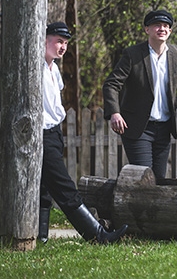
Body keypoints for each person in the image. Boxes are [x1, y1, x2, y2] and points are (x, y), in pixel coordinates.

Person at [41, 22, 128, 244]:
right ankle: (97, 236)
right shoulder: (34, 68)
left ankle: (40, 238)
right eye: (59, 41)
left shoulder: (53, 69)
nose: (63, 47)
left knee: (45, 189)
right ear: (44, 39)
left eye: (66, 43)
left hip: (54, 132)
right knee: (64, 186)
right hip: (39, 134)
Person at [103, 10, 177, 181]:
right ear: (147, 29)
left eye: (166, 26)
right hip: (138, 128)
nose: (162, 29)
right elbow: (111, 84)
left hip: (164, 129)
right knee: (143, 179)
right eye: (157, 25)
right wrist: (114, 113)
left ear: (169, 31)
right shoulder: (133, 54)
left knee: (159, 180)